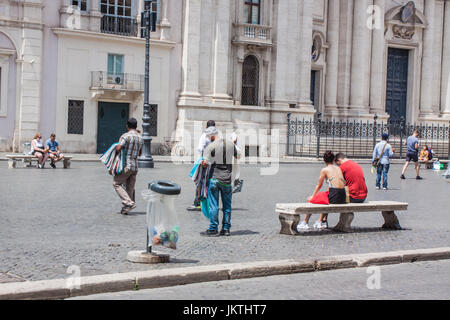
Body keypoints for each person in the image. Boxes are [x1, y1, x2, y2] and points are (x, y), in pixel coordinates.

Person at [201, 127, 240, 236]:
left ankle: (213, 228)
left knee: (214, 205)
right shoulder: (230, 144)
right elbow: (238, 156)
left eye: (209, 137)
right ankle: (226, 229)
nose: (209, 139)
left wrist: (202, 164)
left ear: (212, 135)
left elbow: (205, 162)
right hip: (227, 179)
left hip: (214, 178)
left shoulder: (211, 146)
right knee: (227, 206)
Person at [298, 151, 346, 231]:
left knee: (313, 199)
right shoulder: (338, 168)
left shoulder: (325, 170)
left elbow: (319, 185)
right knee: (326, 196)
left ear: (324, 160)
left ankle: (305, 222)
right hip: (342, 196)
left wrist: (313, 196)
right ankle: (320, 221)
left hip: (334, 196)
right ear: (334, 159)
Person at [113, 118, 143, 215]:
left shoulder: (125, 136)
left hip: (126, 165)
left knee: (116, 183)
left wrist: (116, 147)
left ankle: (128, 203)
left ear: (127, 126)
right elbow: (140, 153)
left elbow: (119, 148)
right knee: (130, 187)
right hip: (135, 166)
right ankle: (126, 208)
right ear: (136, 126)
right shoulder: (140, 138)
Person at [187, 120, 216, 211]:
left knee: (200, 182)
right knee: (209, 183)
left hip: (204, 163)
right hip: (213, 163)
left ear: (206, 127)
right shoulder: (216, 136)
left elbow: (200, 149)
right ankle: (209, 203)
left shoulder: (204, 136)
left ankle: (198, 203)